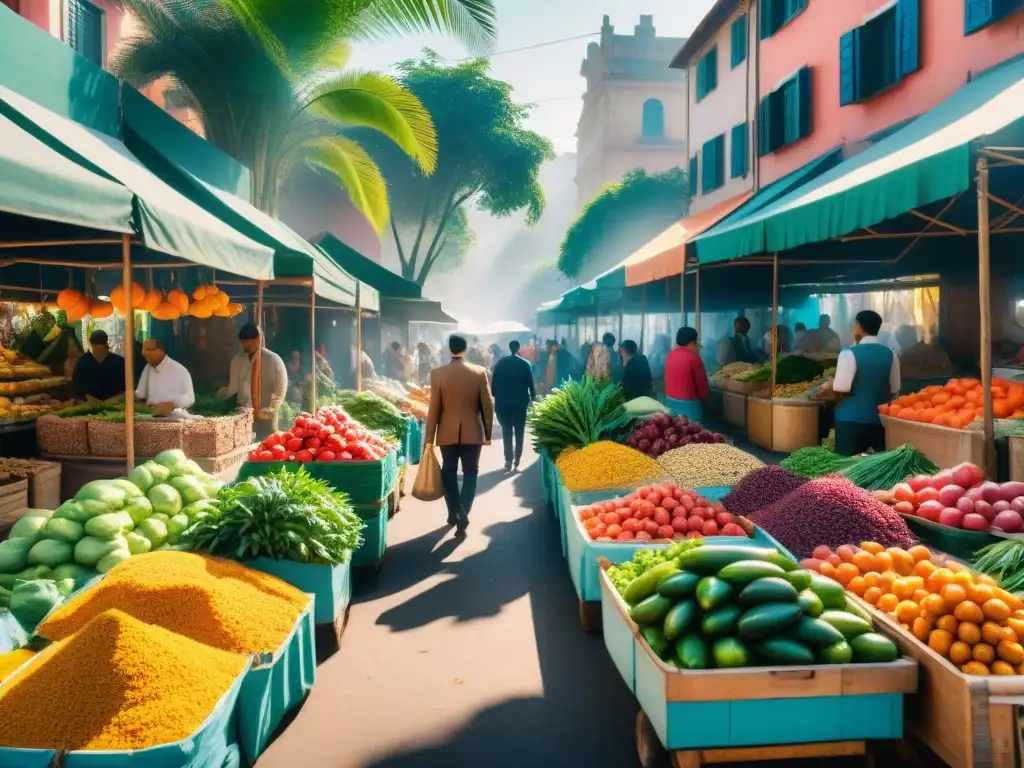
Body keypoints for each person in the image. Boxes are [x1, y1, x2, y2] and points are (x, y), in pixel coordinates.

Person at [424, 334, 494, 535]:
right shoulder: (479, 372)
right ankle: (462, 511)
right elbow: (487, 405)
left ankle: (454, 511)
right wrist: (487, 433)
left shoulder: (437, 373)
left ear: (449, 349)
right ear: (466, 349)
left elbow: (434, 408)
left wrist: (429, 438)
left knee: (449, 473)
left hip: (446, 432)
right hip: (473, 431)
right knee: (471, 472)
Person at [820, 310, 901, 456]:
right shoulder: (891, 354)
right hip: (879, 421)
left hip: (850, 420)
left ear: (857, 326)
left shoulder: (849, 353)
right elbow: (895, 388)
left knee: (848, 468)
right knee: (874, 468)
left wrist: (830, 383)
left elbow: (841, 387)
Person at [218, 323, 287, 440]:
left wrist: (271, 410)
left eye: (249, 341)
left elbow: (280, 389)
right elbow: (233, 387)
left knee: (265, 445)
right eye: (243, 341)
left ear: (258, 339)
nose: (246, 344)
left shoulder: (273, 360)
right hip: (242, 414)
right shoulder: (237, 360)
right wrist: (220, 395)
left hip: (264, 416)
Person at [491, 340, 535, 472]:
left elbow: (493, 385)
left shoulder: (500, 363)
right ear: (518, 349)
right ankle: (517, 459)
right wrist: (533, 397)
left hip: (503, 403)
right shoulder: (525, 364)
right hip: (520, 403)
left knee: (507, 431)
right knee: (519, 431)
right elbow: (530, 384)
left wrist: (496, 395)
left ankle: (508, 460)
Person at [135, 339, 194, 415]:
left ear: (160, 351)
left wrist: (173, 405)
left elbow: (190, 397)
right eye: (145, 357)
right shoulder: (148, 368)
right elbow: (140, 394)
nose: (146, 360)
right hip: (151, 414)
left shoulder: (179, 370)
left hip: (174, 415)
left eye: (150, 356)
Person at [664, 327, 709, 421]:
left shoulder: (670, 355)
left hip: (670, 403)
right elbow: (703, 387)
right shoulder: (694, 358)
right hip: (689, 407)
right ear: (692, 342)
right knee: (693, 433)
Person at [72, 330, 126, 403]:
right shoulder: (82, 363)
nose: (98, 348)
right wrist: (89, 398)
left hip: (115, 404)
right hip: (89, 405)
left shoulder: (119, 362)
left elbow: (126, 387)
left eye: (100, 345)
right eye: (96, 345)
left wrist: (115, 399)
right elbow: (77, 386)